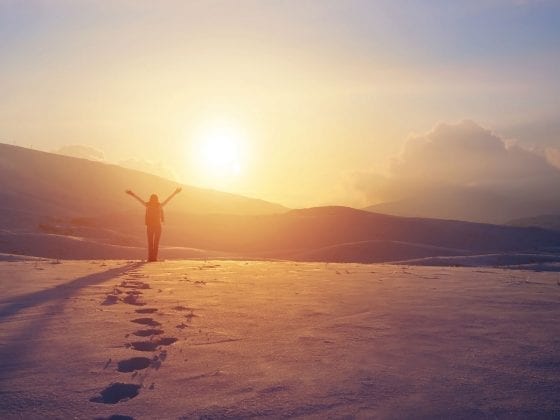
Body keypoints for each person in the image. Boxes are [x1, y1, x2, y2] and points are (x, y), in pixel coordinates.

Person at [125, 187, 182, 262]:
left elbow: (139, 199)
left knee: (150, 243)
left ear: (150, 199)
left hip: (150, 226)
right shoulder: (159, 206)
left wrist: (132, 194)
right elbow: (168, 199)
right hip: (158, 226)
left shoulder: (148, 205)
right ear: (157, 199)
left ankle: (150, 258)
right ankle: (154, 258)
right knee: (156, 243)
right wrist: (175, 192)